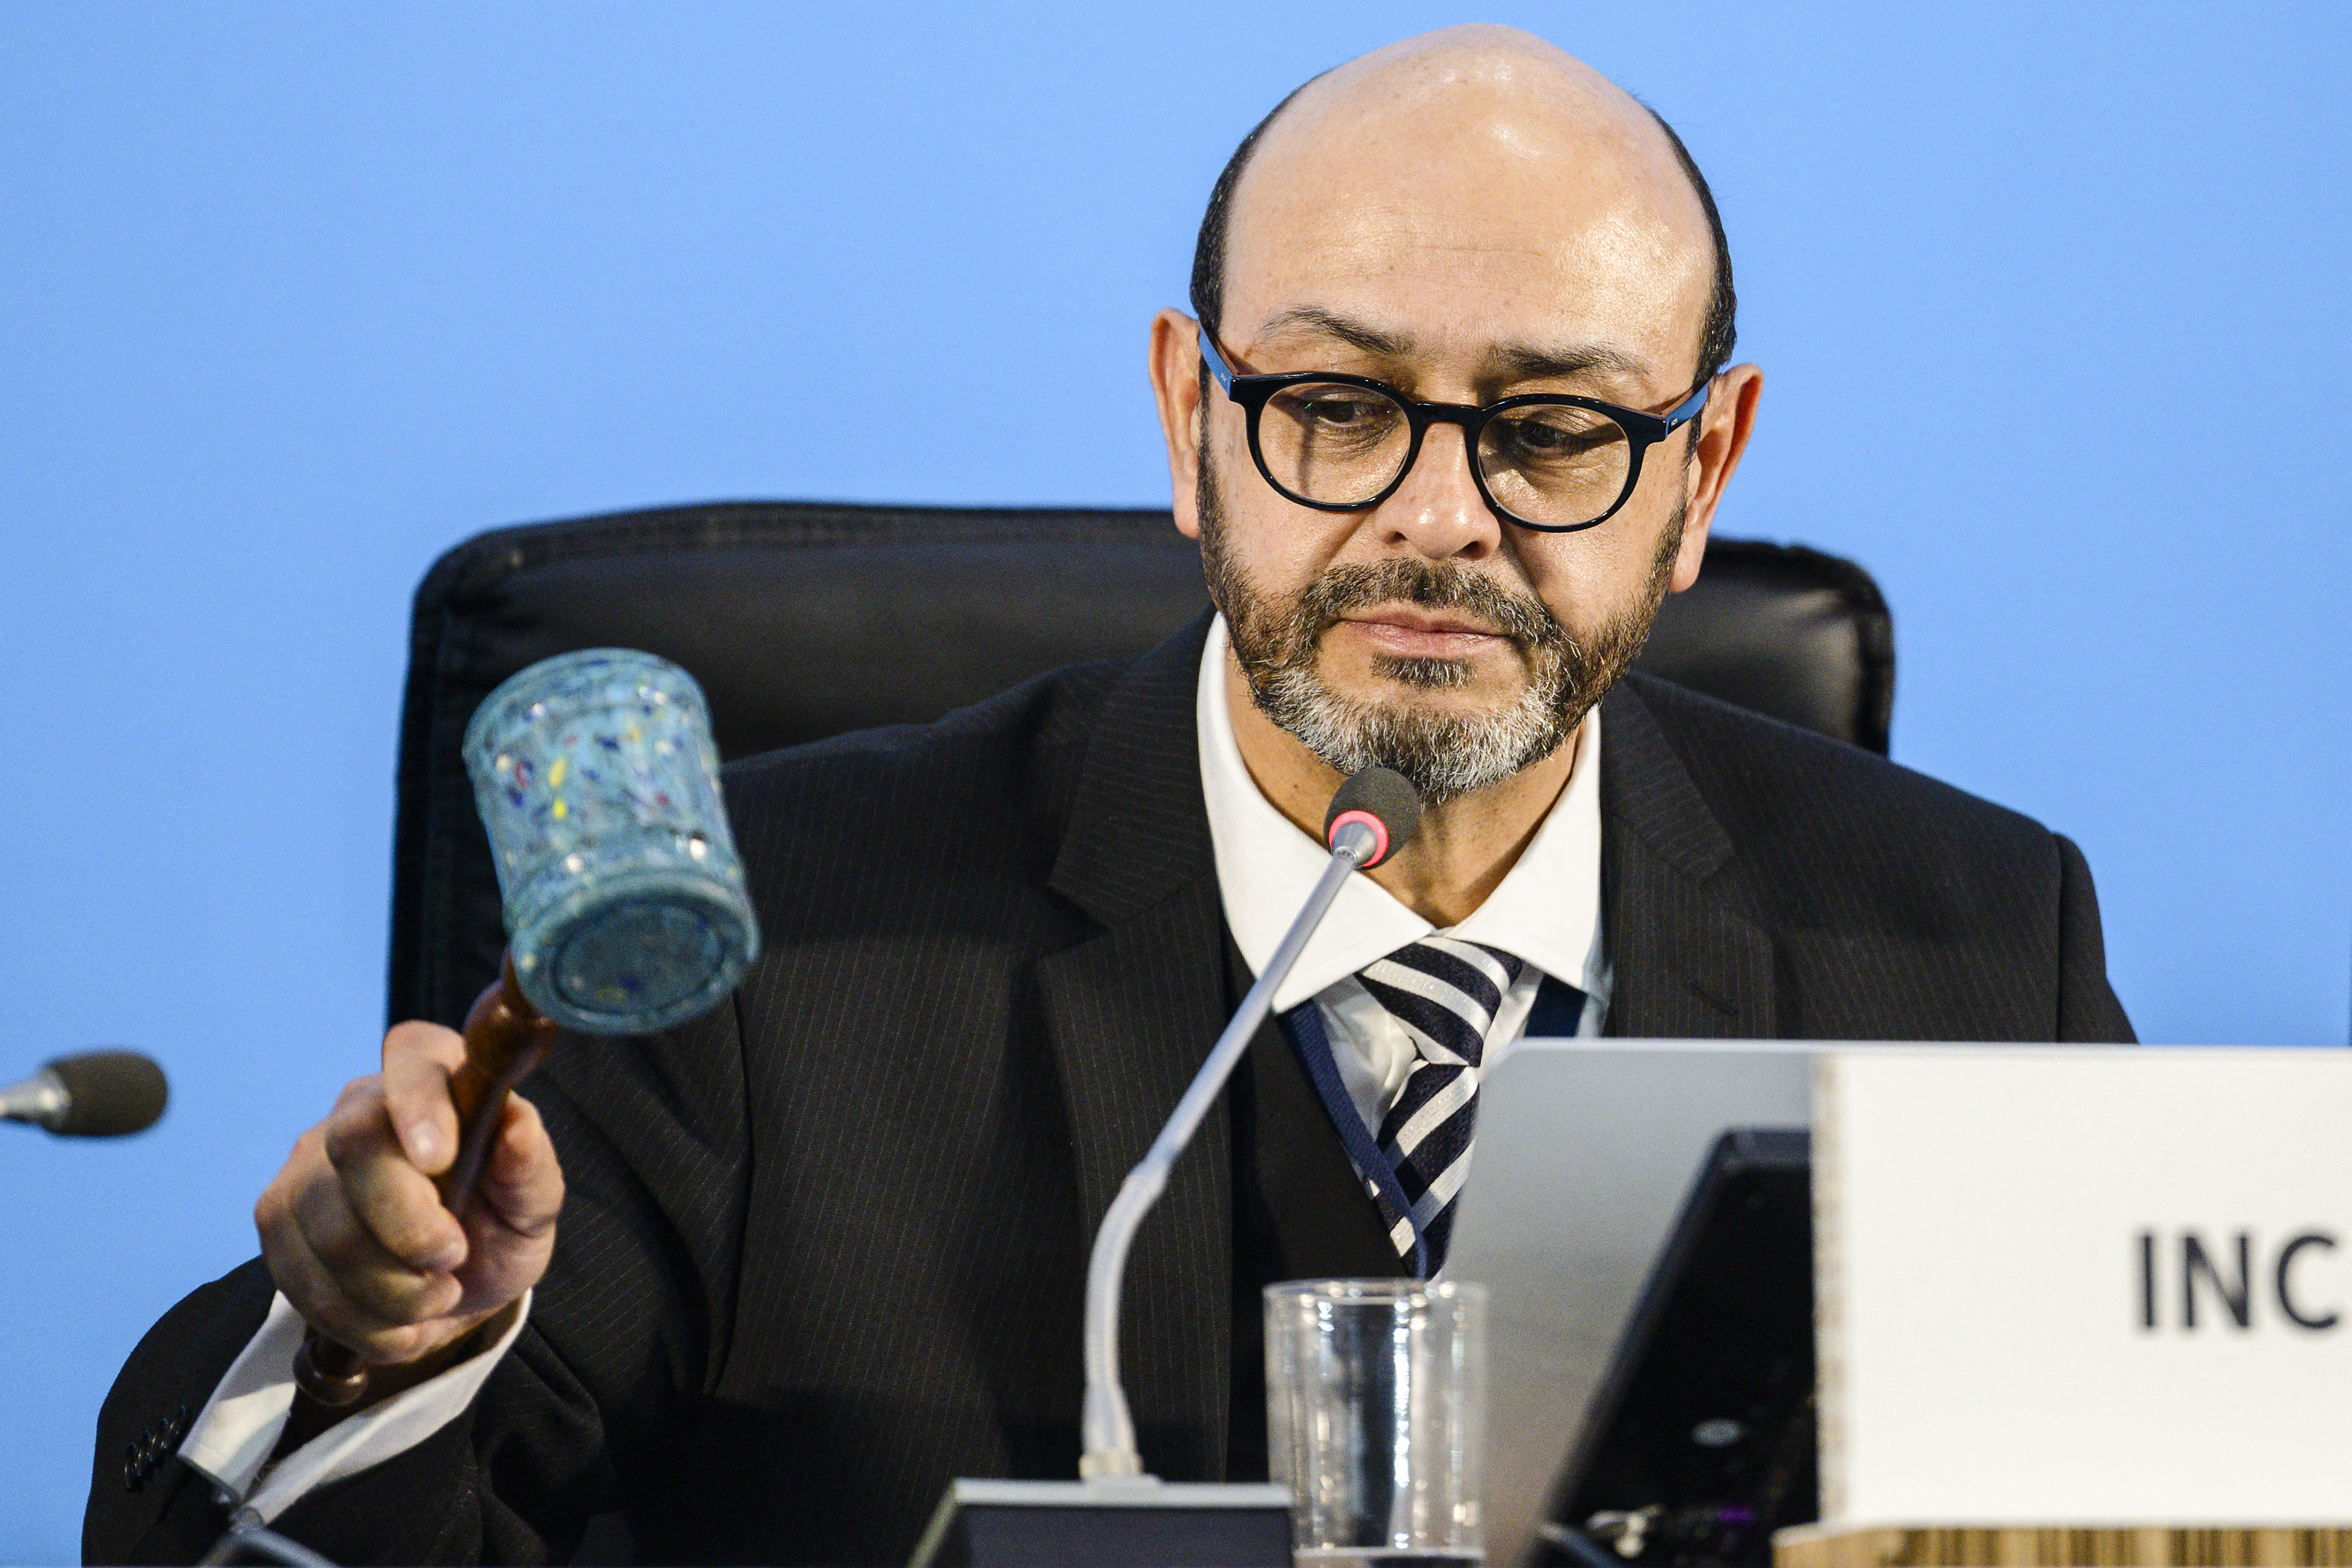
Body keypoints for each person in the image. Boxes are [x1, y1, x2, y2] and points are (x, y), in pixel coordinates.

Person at [87, 24, 2132, 1566]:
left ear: (1703, 470)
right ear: (1189, 419)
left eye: (1557, 426)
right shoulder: (773, 953)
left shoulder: (1968, 951)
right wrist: (372, 1349)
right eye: (1332, 404)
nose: (1439, 516)